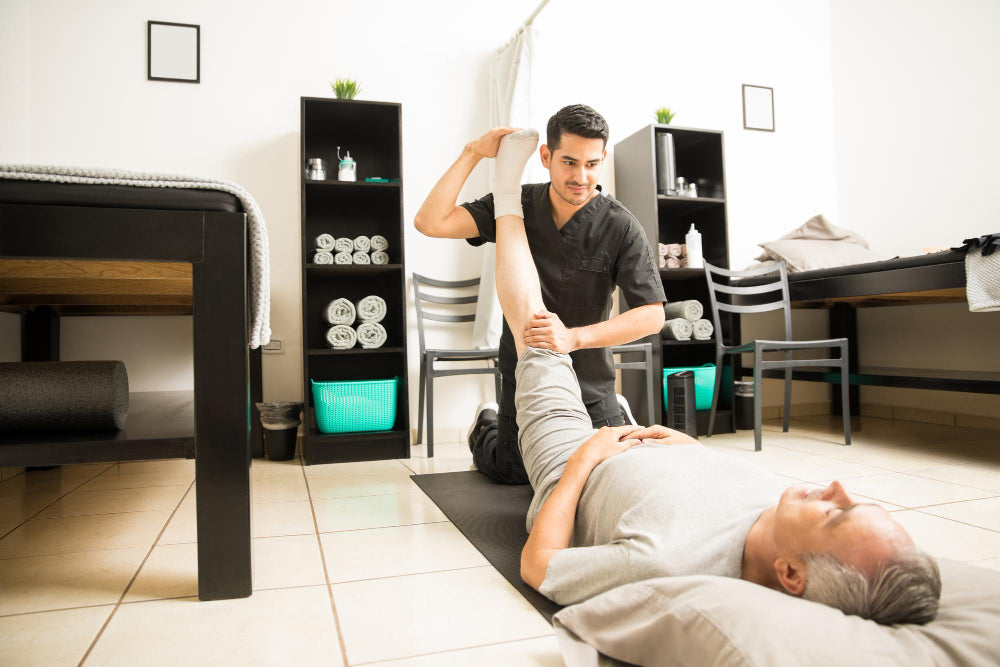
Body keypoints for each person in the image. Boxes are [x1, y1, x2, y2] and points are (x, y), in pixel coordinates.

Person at [487, 129, 941, 625]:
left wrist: (584, 460)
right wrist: (687, 445)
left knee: (536, 330)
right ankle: (492, 425)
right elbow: (713, 489)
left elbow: (540, 566)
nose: (835, 487)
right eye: (854, 499)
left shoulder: (665, 561)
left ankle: (506, 190)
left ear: (790, 574)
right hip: (644, 442)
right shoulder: (785, 508)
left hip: (576, 462)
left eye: (837, 513)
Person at [414, 104, 666, 485]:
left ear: (603, 160)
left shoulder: (620, 226)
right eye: (569, 162)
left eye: (592, 164)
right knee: (513, 473)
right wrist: (472, 154)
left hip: (590, 386)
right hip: (524, 375)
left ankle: (617, 412)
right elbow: (430, 222)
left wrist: (574, 337)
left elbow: (652, 315)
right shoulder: (515, 205)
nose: (582, 177)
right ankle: (487, 425)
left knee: (606, 476)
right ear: (546, 157)